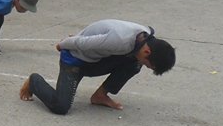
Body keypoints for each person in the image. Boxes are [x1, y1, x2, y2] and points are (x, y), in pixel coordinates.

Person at [18, 19, 176, 114]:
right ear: (147, 51)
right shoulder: (119, 39)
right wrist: (62, 45)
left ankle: (100, 96)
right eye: (149, 64)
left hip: (98, 59)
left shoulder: (145, 37)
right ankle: (34, 81)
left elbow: (136, 60)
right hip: (75, 59)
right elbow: (81, 42)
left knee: (134, 64)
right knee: (61, 107)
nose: (146, 66)